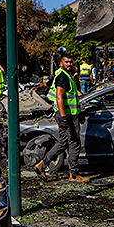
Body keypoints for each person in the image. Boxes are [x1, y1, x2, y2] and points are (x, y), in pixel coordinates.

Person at [34, 53, 89, 183]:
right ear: (61, 63)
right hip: (67, 115)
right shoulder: (63, 77)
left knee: (64, 142)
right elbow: (59, 96)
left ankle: (42, 165)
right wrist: (64, 118)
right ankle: (74, 175)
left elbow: (51, 86)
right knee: (74, 143)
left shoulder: (63, 74)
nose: (69, 64)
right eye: (66, 62)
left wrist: (38, 87)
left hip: (67, 114)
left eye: (71, 62)